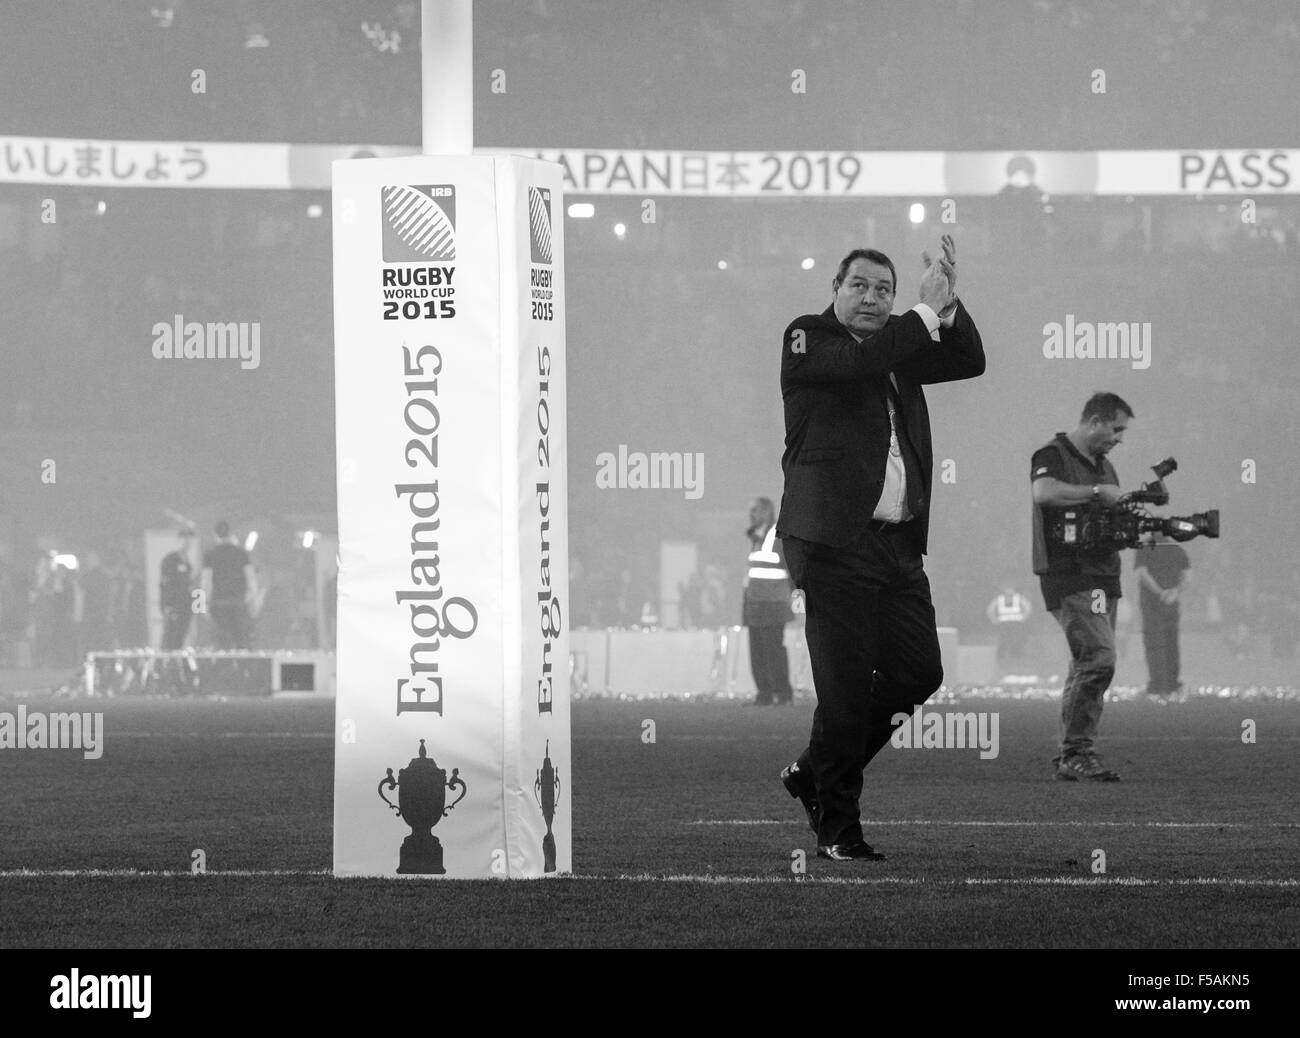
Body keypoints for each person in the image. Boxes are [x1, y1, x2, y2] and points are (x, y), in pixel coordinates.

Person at [777, 235, 985, 861]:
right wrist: (920, 315)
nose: (872, 297)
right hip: (835, 545)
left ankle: (812, 771)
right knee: (843, 692)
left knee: (921, 673)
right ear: (834, 291)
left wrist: (946, 309)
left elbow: (970, 361)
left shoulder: (900, 347)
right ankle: (839, 830)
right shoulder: (808, 338)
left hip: (898, 546)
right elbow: (856, 365)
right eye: (859, 286)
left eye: (885, 290)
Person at [1030, 392, 1133, 781]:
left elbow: (1110, 521)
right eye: (1116, 429)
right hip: (1069, 574)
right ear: (1095, 421)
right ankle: (1075, 751)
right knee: (1099, 659)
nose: (1119, 439)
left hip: (1104, 575)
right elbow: (1042, 493)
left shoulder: (1105, 466)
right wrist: (1094, 493)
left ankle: (1071, 754)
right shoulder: (1052, 455)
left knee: (1086, 661)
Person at [742, 497, 794, 706]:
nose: (751, 514)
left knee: (773, 651)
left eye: (755, 510)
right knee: (758, 652)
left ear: (766, 511)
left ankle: (782, 693)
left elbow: (790, 568)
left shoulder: (775, 535)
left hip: (773, 604)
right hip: (756, 603)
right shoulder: (756, 537)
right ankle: (764, 693)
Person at [1134, 532, 1190, 695]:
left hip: (1151, 604)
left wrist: (1159, 592)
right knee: (1172, 642)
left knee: (1154, 643)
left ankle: (1158, 685)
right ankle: (1173, 683)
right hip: (1171, 603)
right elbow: (1187, 576)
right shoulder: (1176, 549)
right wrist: (1174, 592)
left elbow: (1142, 573)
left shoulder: (1144, 547)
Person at [202, 520, 257, 650]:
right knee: (242, 641)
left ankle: (225, 669)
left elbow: (205, 582)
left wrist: (200, 607)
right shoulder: (242, 553)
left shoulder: (209, 555)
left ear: (215, 535)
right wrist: (251, 601)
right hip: (238, 603)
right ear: (230, 534)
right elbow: (251, 580)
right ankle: (244, 668)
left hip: (218, 604)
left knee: (222, 644)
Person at [160, 527, 197, 650]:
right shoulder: (170, 560)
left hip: (186, 607)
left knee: (181, 639)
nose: (187, 542)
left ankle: (177, 664)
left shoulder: (189, 564)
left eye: (190, 538)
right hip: (174, 607)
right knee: (170, 639)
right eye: (184, 538)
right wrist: (166, 606)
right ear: (178, 540)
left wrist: (197, 608)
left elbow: (193, 586)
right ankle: (165, 665)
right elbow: (164, 585)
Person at [986, 583, 1033, 668]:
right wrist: (995, 620)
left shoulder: (1019, 598)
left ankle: (1017, 653)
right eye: (1007, 589)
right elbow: (990, 610)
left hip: (1016, 624)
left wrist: (1023, 618)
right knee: (1004, 640)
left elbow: (1028, 607)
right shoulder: (999, 599)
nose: (1009, 591)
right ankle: (1001, 657)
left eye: (1010, 588)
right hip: (1004, 624)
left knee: (1020, 638)